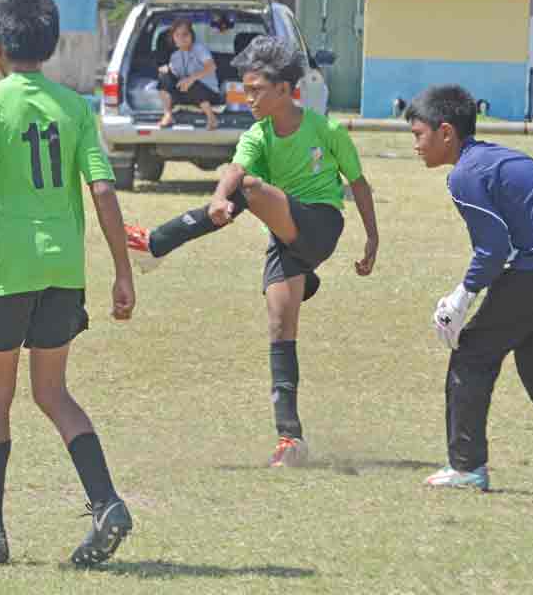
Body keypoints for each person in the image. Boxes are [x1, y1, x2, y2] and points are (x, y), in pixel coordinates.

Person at [0, 0, 136, 567]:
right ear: (51, 44)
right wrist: (122, 272)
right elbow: (103, 190)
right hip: (63, 268)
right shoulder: (75, 107)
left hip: (9, 269)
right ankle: (107, 502)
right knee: (52, 392)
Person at [126, 36, 380, 467]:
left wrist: (372, 238)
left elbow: (357, 183)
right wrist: (218, 198)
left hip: (320, 224)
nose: (248, 98)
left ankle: (157, 243)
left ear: (284, 89)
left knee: (250, 190)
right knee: (280, 327)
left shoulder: (327, 130)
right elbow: (235, 168)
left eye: (256, 90)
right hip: (286, 239)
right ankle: (290, 439)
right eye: (244, 90)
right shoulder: (257, 135)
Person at [405, 84, 533, 491]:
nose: (415, 145)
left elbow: (494, 249)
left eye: (418, 135)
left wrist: (461, 298)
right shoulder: (502, 157)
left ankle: (466, 467)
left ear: (446, 132)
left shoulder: (464, 175)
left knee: (472, 354)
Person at [157, 17, 222, 130]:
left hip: (208, 93)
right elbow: (176, 76)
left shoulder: (199, 49)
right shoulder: (175, 56)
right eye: (177, 35)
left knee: (191, 84)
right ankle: (168, 115)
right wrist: (167, 70)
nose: (181, 38)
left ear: (192, 35)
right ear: (173, 38)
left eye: (185, 34)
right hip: (187, 94)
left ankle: (212, 118)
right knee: (163, 77)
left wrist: (191, 79)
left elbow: (211, 67)